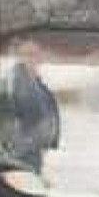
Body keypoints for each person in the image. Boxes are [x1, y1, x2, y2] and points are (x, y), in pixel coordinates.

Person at [10, 40, 60, 175]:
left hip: (36, 149)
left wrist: (51, 140)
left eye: (34, 55)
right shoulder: (14, 83)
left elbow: (51, 111)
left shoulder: (40, 85)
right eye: (27, 54)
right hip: (19, 151)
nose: (31, 59)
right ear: (20, 57)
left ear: (40, 58)